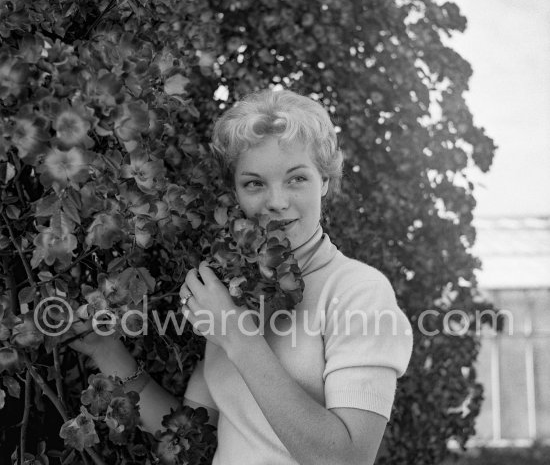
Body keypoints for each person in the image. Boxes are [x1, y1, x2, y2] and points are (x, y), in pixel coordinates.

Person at [71, 89, 413, 465]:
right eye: (255, 183)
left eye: (297, 179)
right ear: (236, 192)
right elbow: (192, 436)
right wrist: (106, 350)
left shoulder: (358, 292)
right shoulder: (231, 288)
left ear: (326, 181)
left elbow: (347, 459)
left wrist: (236, 334)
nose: (277, 202)